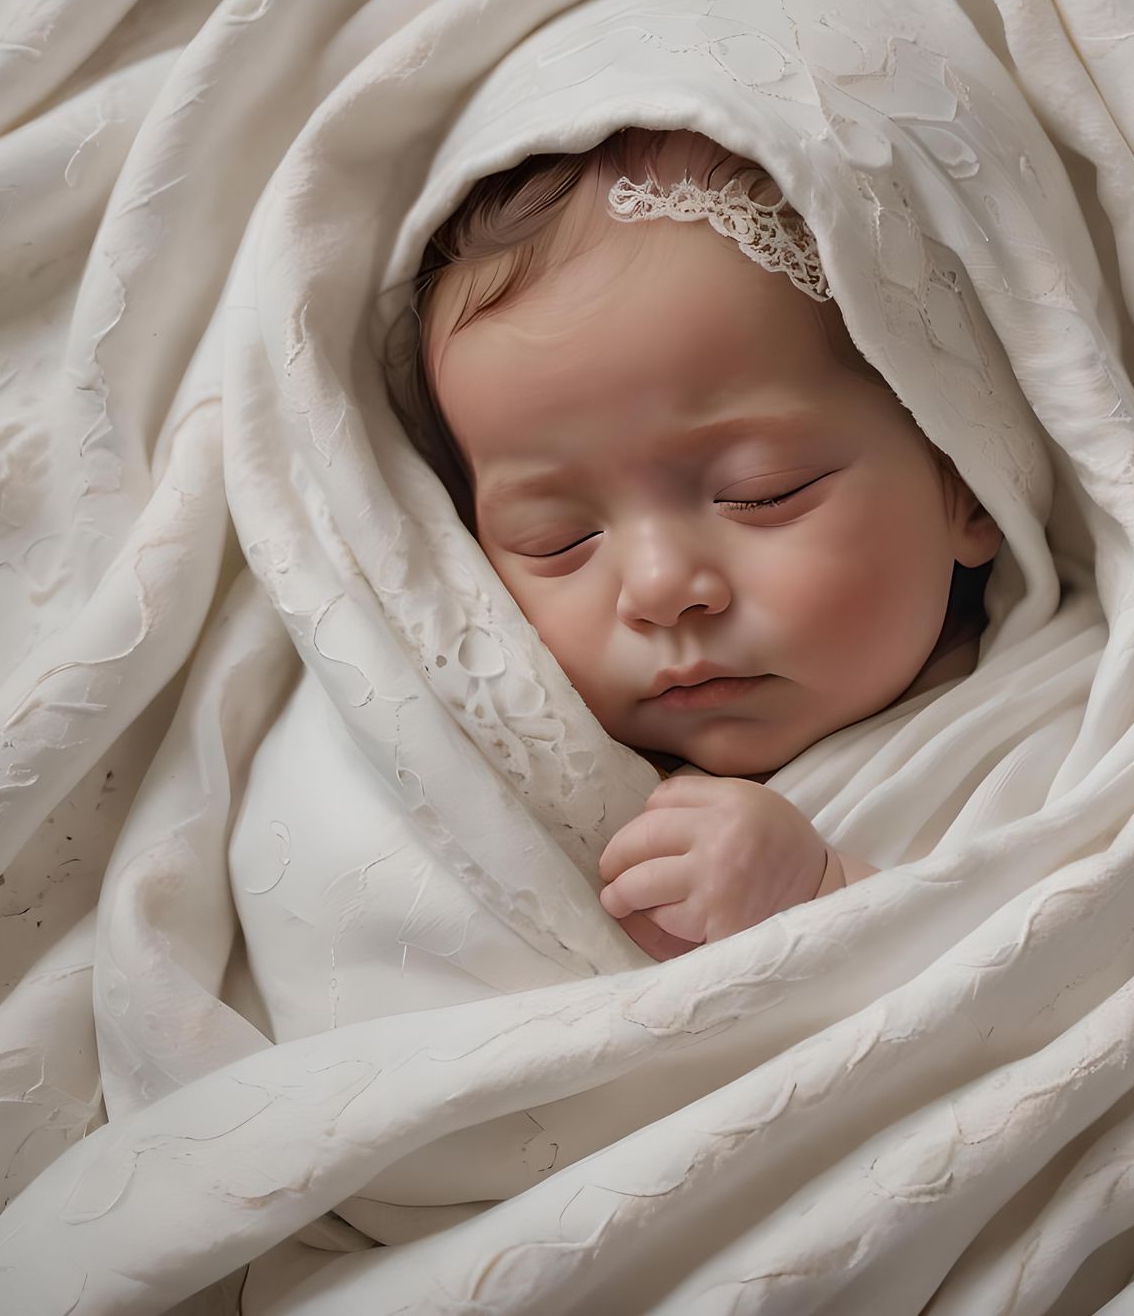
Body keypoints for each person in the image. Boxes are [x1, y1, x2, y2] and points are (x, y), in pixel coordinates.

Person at [388, 126, 1002, 959]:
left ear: (965, 477)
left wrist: (821, 894)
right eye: (558, 539)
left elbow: (1077, 963)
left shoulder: (1057, 714)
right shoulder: (548, 811)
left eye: (761, 493)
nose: (659, 587)